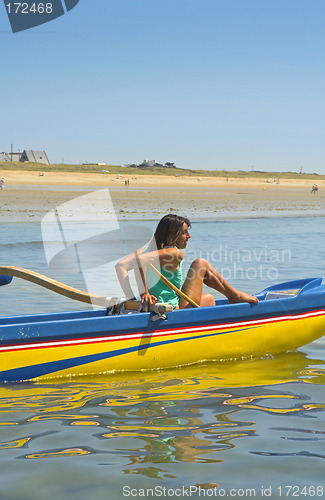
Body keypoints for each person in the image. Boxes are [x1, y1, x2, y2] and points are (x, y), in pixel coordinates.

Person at [115, 214, 258, 310]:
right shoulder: (174, 253)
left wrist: (132, 301)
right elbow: (139, 262)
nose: (189, 236)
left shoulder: (147, 250)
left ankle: (207, 327)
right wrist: (143, 294)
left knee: (208, 299)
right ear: (172, 234)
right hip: (172, 309)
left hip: (155, 307)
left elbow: (120, 266)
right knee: (200, 264)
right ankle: (234, 296)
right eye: (184, 232)